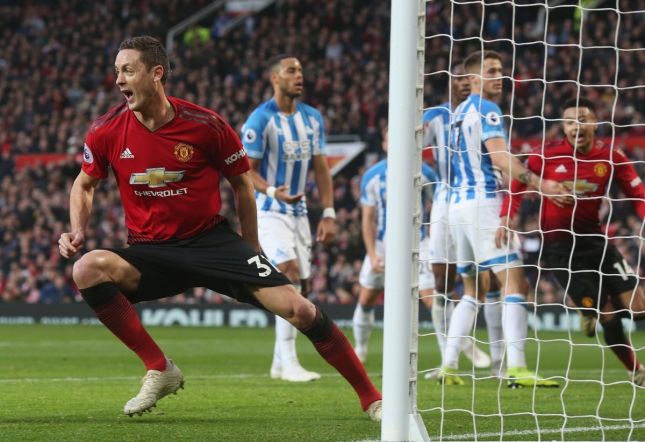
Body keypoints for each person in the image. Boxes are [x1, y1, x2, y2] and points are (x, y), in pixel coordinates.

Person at [58, 36, 382, 421]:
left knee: (300, 309)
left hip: (212, 243)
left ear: (156, 73)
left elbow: (242, 184)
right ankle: (160, 368)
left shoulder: (205, 125)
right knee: (87, 268)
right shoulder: (106, 129)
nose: (118, 80)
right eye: (116, 72)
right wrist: (77, 229)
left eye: (127, 70)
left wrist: (252, 247)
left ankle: (372, 399)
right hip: (150, 250)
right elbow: (84, 184)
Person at [439, 50, 569, 387]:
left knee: (472, 289)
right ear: (473, 78)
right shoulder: (487, 109)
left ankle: (448, 365)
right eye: (492, 71)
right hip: (483, 204)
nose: (500, 77)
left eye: (500, 70)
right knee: (515, 283)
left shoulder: (457, 113)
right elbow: (499, 157)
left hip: (457, 207)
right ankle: (517, 368)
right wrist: (541, 184)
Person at [498, 97, 645, 386]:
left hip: (596, 243)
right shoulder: (546, 154)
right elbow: (518, 181)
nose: (576, 126)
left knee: (638, 309)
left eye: (582, 120)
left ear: (595, 123)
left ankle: (588, 307)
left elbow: (638, 194)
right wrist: (507, 214)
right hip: (560, 250)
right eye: (569, 122)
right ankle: (636, 370)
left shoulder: (611, 157)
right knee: (608, 314)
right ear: (564, 127)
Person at [241, 54, 337, 382]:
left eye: (300, 70)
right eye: (291, 71)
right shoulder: (260, 120)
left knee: (302, 287)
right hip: (269, 210)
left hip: (299, 212)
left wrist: (328, 212)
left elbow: (321, 168)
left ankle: (279, 362)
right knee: (289, 273)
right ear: (275, 78)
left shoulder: (312, 118)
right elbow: (246, 171)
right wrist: (272, 191)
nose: (299, 76)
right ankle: (291, 363)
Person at [422, 61, 493, 379]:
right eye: (460, 77)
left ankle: (476, 344)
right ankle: (447, 356)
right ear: (450, 81)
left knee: (483, 278)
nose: (465, 82)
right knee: (442, 283)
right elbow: (405, 145)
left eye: (470, 77)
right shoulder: (435, 116)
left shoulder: (485, 112)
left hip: (479, 199)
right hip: (444, 201)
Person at [352, 128, 437, 363]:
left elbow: (438, 208)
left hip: (418, 244)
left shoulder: (425, 173)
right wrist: (372, 254)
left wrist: (433, 244)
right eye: (390, 139)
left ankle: (449, 357)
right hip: (382, 246)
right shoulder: (372, 176)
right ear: (384, 144)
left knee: (431, 298)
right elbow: (367, 219)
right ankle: (360, 348)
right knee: (366, 298)